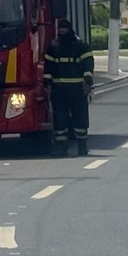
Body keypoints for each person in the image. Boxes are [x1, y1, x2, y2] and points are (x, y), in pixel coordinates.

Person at [43, 17, 94, 157]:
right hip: (59, 89)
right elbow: (48, 67)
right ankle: (61, 147)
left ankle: (82, 145)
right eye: (60, 28)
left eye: (64, 28)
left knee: (80, 117)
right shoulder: (53, 46)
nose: (62, 31)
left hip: (77, 89)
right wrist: (47, 83)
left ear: (69, 29)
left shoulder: (81, 45)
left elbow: (88, 64)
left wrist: (88, 81)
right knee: (60, 118)